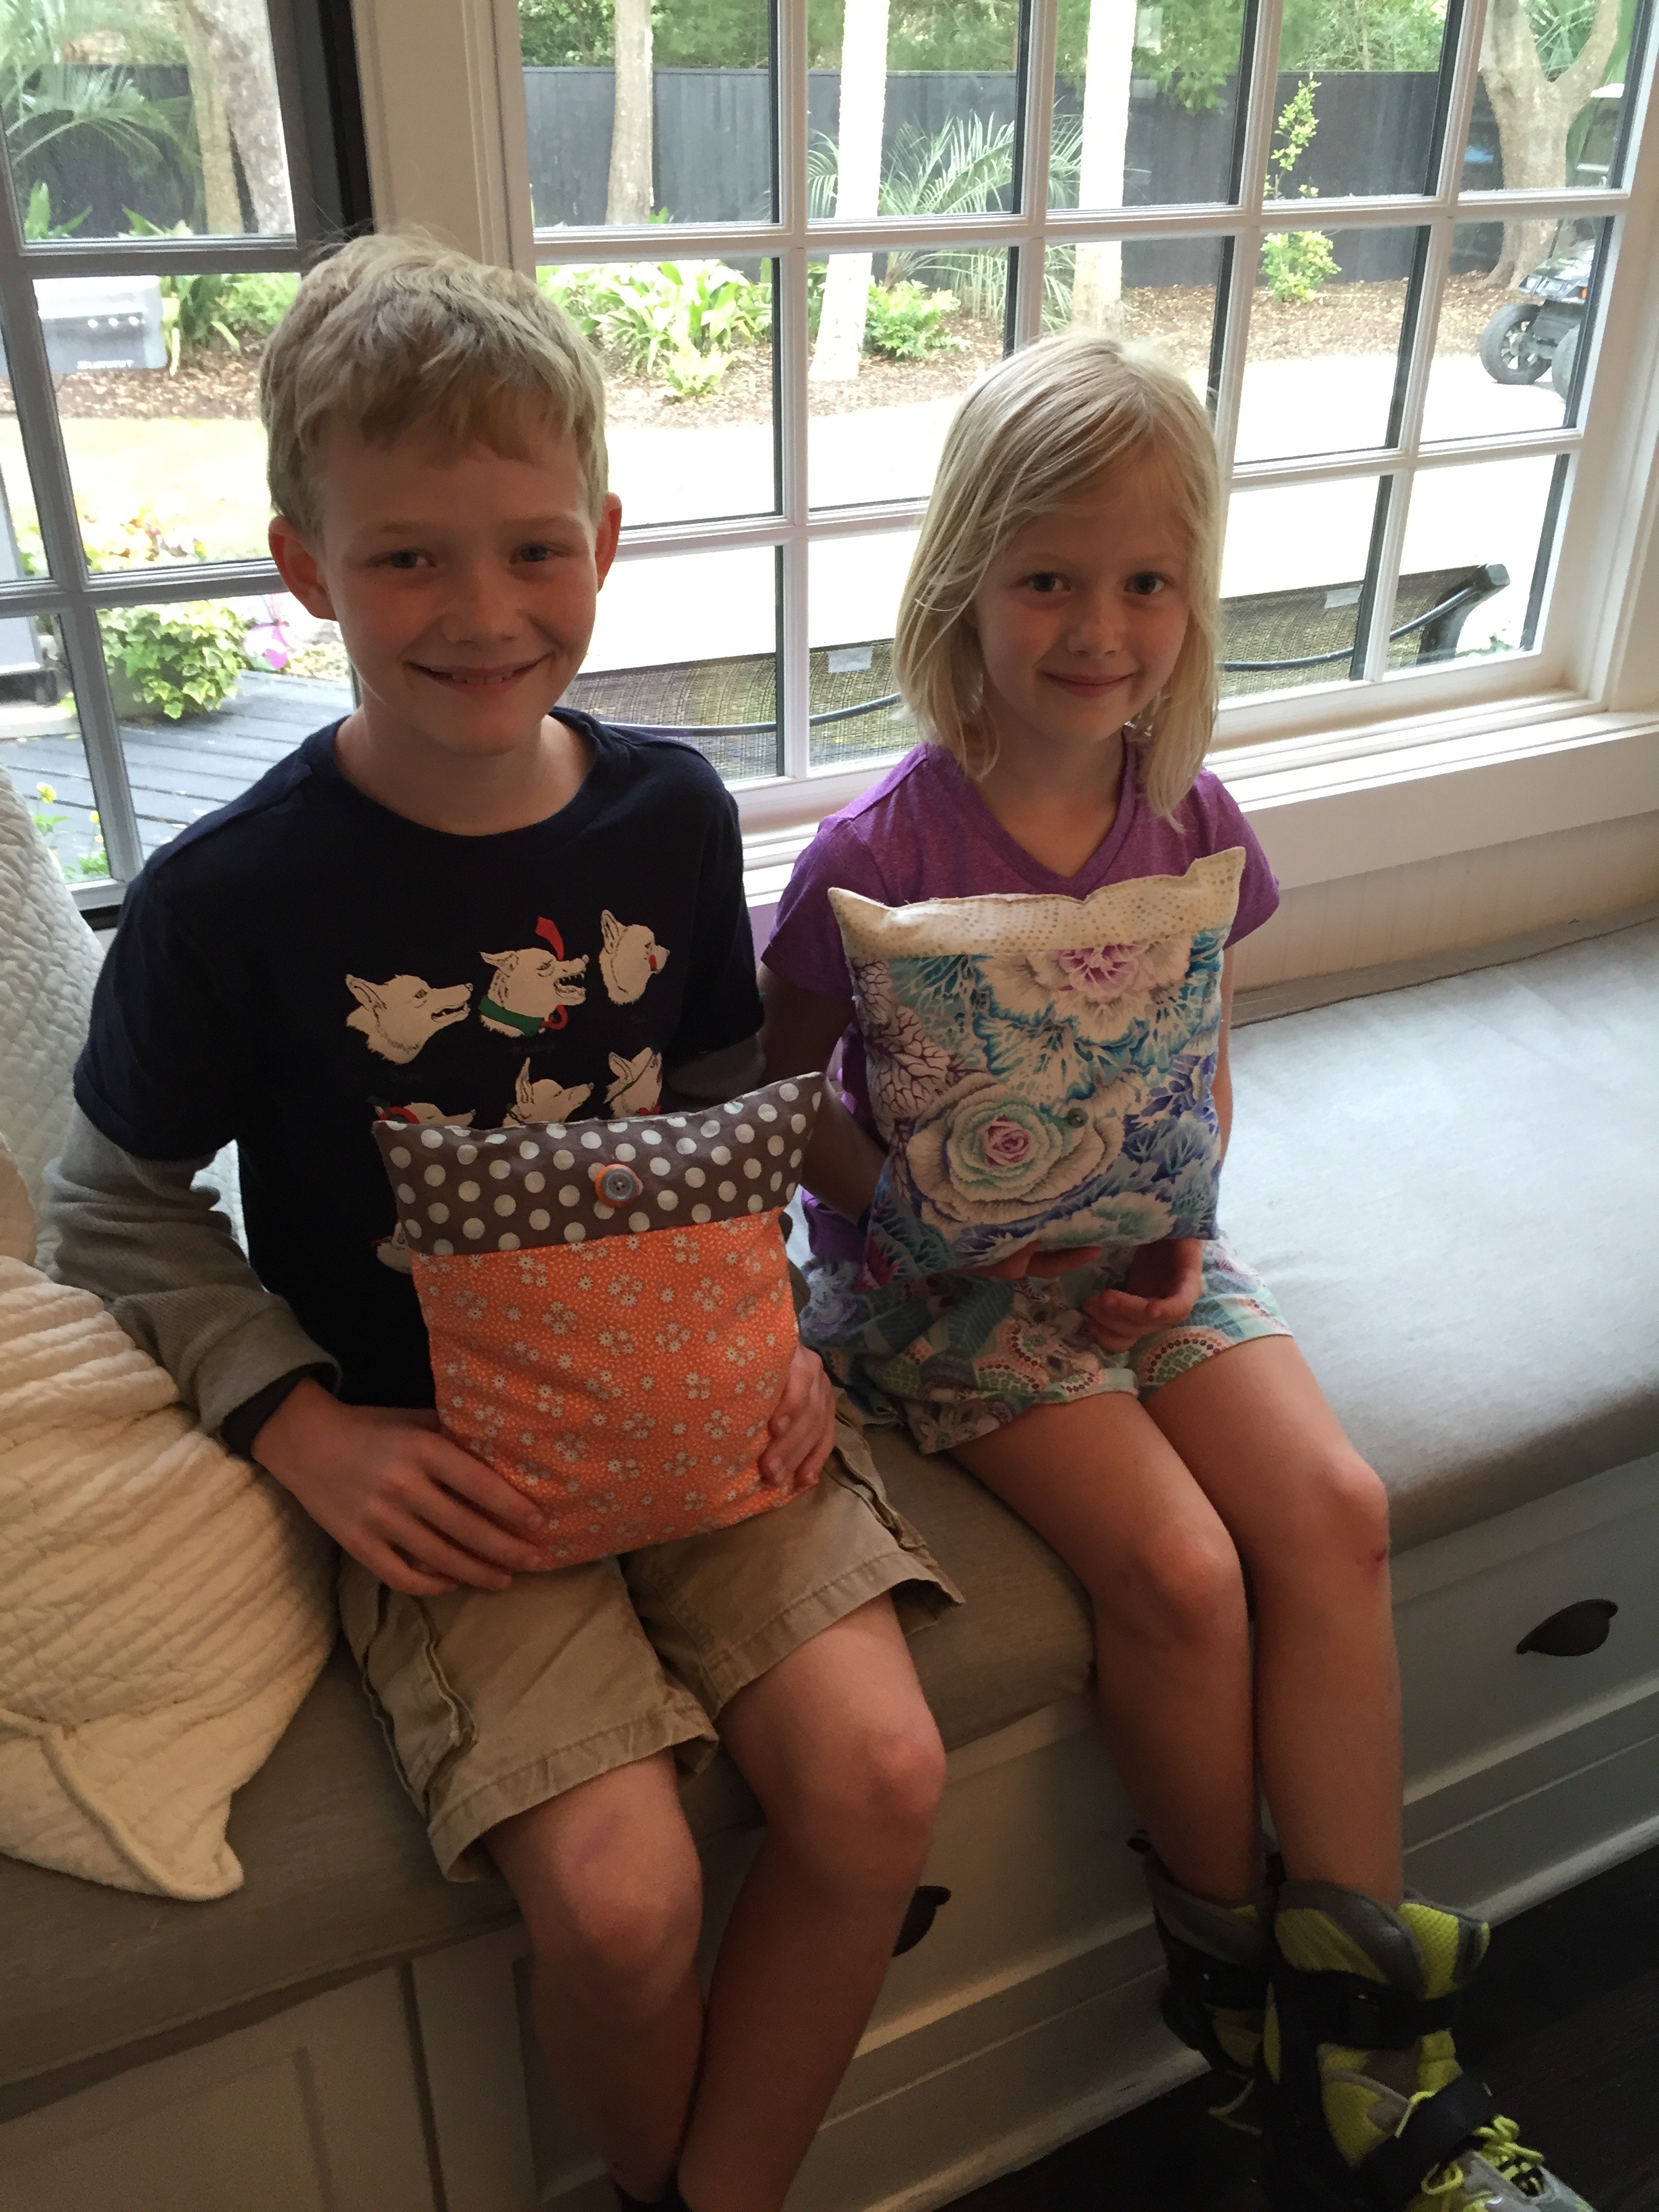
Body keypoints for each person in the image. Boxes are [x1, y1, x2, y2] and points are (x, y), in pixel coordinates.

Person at [47, 232, 960, 2212]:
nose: (482, 611)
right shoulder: (229, 896)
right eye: (408, 558)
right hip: (453, 1472)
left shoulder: (671, 815)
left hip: (710, 1405)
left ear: (604, 544)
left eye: (535, 549)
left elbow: (722, 1109)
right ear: (306, 569)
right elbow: (106, 1205)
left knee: (886, 1774)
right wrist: (301, 1426)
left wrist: (788, 1333)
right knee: (622, 1907)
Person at [759, 333, 1593, 2212]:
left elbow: (1200, 1043)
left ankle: (1370, 2040)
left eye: (1147, 580)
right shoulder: (879, 849)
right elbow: (780, 1089)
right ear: (964, 584)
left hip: (1145, 1248)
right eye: (1049, 578)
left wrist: (1188, 1206)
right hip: (944, 1292)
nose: (1100, 627)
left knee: (1336, 1510)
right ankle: (1233, 2013)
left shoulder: (1190, 815)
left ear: (1194, 596)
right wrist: (908, 1209)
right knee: (1183, 1572)